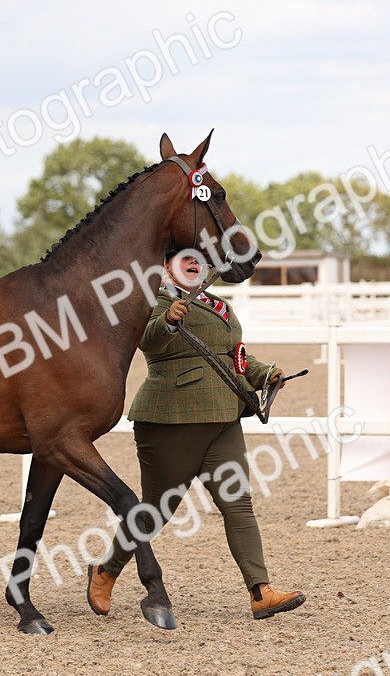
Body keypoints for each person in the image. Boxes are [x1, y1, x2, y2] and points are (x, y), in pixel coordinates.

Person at [88, 249, 308, 620]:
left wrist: (263, 373)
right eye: (184, 258)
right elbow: (148, 340)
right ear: (164, 267)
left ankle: (261, 591)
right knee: (156, 511)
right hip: (172, 418)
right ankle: (106, 571)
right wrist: (169, 322)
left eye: (199, 259)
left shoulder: (217, 304)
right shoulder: (151, 300)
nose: (195, 263)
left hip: (223, 418)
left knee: (238, 502)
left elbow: (234, 357)